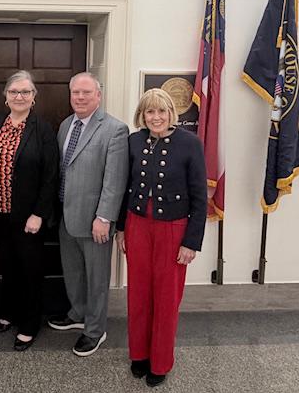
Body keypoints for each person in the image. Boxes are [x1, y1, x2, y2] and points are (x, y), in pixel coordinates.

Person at [117, 88, 207, 387]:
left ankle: (160, 361)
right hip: (137, 225)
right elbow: (125, 188)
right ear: (142, 115)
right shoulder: (134, 141)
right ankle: (139, 355)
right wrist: (121, 228)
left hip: (173, 229)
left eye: (161, 111)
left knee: (166, 299)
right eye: (149, 111)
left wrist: (191, 242)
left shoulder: (190, 143)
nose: (155, 117)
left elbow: (199, 197)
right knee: (138, 294)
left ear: (171, 113)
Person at [48, 72, 129, 357]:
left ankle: (95, 330)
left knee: (96, 278)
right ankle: (78, 313)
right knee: (73, 272)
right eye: (75, 93)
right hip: (65, 215)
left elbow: (115, 180)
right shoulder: (65, 125)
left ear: (98, 95)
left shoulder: (115, 130)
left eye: (86, 92)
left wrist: (104, 218)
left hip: (95, 221)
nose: (80, 97)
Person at [0, 70, 59, 351]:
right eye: (14, 91)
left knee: (30, 269)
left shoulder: (43, 129)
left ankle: (29, 323)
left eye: (25, 92)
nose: (19, 96)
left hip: (29, 217)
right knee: (7, 265)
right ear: (6, 96)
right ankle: (8, 312)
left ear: (33, 97)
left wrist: (39, 213)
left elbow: (51, 175)